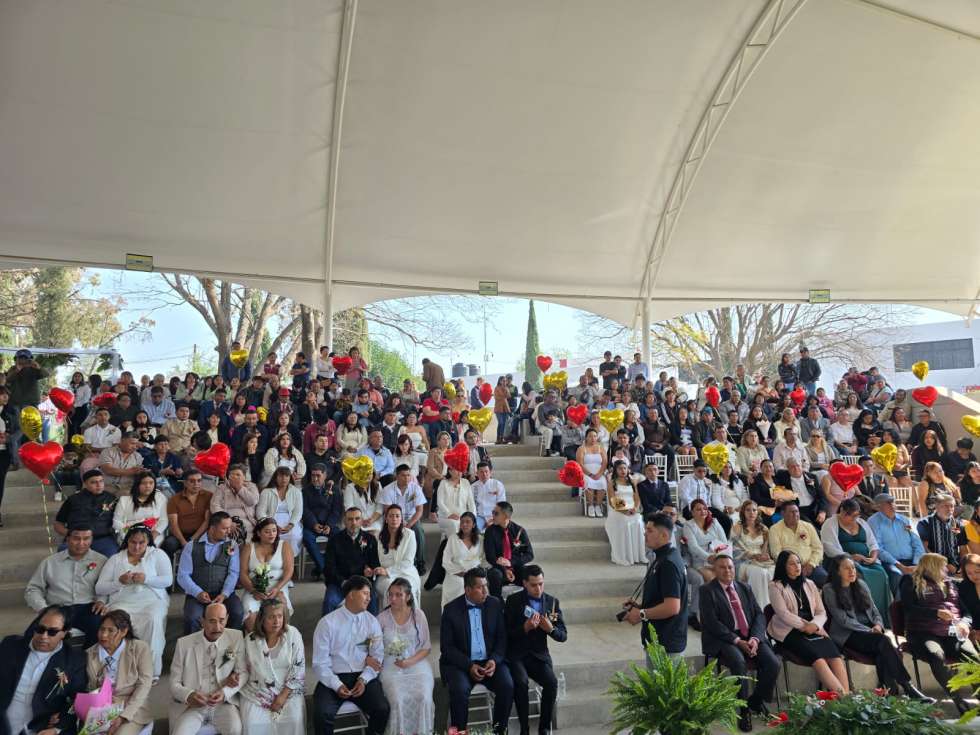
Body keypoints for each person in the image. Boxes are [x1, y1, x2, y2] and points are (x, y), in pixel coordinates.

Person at [822, 555, 930, 701]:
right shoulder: (829, 589)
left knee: (882, 652)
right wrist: (869, 630)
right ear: (837, 571)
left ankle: (888, 693)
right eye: (846, 568)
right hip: (848, 634)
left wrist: (878, 624)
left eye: (853, 567)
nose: (852, 571)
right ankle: (908, 687)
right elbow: (842, 620)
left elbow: (874, 611)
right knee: (883, 642)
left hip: (871, 633)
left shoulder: (861, 584)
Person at [699, 553, 779, 732]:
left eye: (730, 567)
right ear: (714, 570)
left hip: (751, 635)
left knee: (773, 663)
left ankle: (756, 701)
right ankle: (744, 711)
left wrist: (755, 638)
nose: (727, 570)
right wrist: (737, 641)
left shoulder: (745, 587)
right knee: (738, 662)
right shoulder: (707, 590)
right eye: (722, 567)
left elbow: (759, 614)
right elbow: (711, 623)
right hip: (724, 638)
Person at [311, 576, 390, 735]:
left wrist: (364, 679)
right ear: (351, 594)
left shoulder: (371, 622)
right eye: (365, 593)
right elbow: (320, 663)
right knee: (321, 713)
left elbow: (377, 656)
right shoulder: (327, 623)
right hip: (333, 676)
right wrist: (336, 684)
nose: (369, 598)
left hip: (362, 676)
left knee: (382, 709)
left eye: (370, 594)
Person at [900, 553, 978, 714]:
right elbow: (908, 609)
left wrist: (964, 623)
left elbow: (966, 612)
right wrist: (935, 613)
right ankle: (958, 700)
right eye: (943, 567)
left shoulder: (950, 584)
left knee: (973, 657)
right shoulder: (910, 581)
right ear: (932, 567)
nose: (946, 570)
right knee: (936, 655)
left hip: (952, 632)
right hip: (923, 633)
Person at [440, 567, 514, 735]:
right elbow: (447, 648)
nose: (486, 591)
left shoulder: (494, 604)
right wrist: (469, 666)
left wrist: (494, 660)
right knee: (458, 691)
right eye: (480, 587)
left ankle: (499, 731)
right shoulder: (451, 610)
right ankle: (460, 732)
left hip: (489, 661)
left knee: (507, 685)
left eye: (486, 585)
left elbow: (502, 639)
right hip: (462, 663)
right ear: (467, 590)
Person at [95, 524, 172, 677]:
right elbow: (100, 588)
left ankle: (150, 671)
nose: (137, 547)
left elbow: (168, 580)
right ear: (127, 541)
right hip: (122, 602)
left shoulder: (158, 554)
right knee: (116, 623)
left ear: (148, 542)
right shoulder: (116, 559)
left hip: (152, 602)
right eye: (133, 542)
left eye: (141, 543)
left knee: (152, 620)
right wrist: (119, 582)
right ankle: (117, 669)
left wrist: (147, 579)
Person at [768, 550, 849, 693]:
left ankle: (845, 699)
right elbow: (783, 613)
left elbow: (821, 612)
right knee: (818, 659)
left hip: (814, 628)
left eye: (798, 562)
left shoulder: (810, 584)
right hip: (790, 631)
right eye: (791, 564)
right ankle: (844, 699)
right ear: (783, 566)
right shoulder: (775, 586)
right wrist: (804, 626)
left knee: (835, 656)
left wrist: (815, 625)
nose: (797, 566)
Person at [2, 604, 86, 735]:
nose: (44, 636)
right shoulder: (10, 645)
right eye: (40, 629)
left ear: (64, 633)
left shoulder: (73, 660)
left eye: (52, 632)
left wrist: (57, 728)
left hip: (42, 727)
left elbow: (77, 698)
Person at [25, 525, 109, 647]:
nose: (81, 543)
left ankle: (85, 663)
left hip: (89, 608)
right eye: (76, 538)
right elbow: (33, 589)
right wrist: (43, 609)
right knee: (32, 636)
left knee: (102, 631)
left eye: (86, 538)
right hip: (58, 608)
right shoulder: (50, 562)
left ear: (92, 539)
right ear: (67, 538)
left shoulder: (101, 561)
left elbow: (107, 587)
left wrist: (102, 601)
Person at [169, 602, 244, 735]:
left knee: (235, 729)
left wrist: (225, 693)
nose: (217, 627)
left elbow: (243, 672)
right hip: (192, 706)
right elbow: (174, 683)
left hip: (223, 703)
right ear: (201, 621)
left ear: (227, 618)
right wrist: (189, 694)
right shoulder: (184, 644)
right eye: (212, 621)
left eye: (221, 621)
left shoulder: (236, 637)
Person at [235, 598, 306, 735]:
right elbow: (242, 668)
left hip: (288, 691)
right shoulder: (250, 640)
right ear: (262, 619)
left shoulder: (293, 634)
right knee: (253, 723)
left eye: (280, 616)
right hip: (257, 692)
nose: (277, 621)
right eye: (271, 617)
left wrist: (282, 697)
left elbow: (298, 670)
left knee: (293, 719)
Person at [622, 513, 688, 658]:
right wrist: (640, 606)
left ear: (664, 535)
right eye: (646, 529)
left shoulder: (668, 563)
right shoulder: (663, 557)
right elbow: (662, 597)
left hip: (666, 643)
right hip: (660, 640)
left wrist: (641, 614)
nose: (645, 533)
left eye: (650, 530)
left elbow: (672, 607)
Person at [377, 577, 435, 735]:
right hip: (391, 666)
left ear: (408, 596)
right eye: (390, 595)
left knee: (423, 697)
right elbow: (375, 646)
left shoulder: (418, 615)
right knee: (397, 700)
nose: (393, 598)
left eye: (398, 595)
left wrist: (409, 661)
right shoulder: (382, 618)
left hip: (417, 663)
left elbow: (426, 647)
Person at [85, 610, 154, 735]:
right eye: (101, 629)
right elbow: (90, 687)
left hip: (132, 706)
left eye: (110, 631)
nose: (104, 635)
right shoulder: (90, 654)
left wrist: (123, 716)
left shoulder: (139, 648)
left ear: (123, 631)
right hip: (102, 707)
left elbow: (144, 685)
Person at [819, 499, 890, 620]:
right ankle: (864, 615)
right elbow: (830, 549)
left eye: (856, 515)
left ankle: (880, 616)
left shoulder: (862, 523)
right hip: (843, 562)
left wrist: (873, 558)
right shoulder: (830, 523)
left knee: (882, 574)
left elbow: (873, 543)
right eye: (851, 516)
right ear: (842, 511)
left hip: (865, 560)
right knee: (860, 573)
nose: (854, 519)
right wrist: (851, 557)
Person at [177, 511, 245, 633]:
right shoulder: (191, 546)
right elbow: (182, 576)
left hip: (224, 594)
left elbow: (233, 573)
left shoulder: (232, 545)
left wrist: (224, 594)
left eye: (230, 527)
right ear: (212, 528)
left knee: (237, 612)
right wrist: (197, 592)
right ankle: (192, 649)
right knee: (192, 617)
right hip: (197, 595)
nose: (229, 531)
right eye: (225, 528)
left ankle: (231, 648)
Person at [239, 517, 294, 631]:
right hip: (253, 587)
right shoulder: (249, 547)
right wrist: (253, 590)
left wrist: (277, 588)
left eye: (274, 530)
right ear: (259, 533)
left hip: (277, 586)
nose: (272, 534)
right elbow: (243, 573)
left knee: (280, 608)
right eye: (267, 531)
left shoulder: (284, 546)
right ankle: (255, 642)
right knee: (250, 612)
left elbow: (289, 571)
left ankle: (278, 640)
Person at [322, 508, 381, 615]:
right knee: (329, 601)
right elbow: (329, 569)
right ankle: (326, 630)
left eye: (357, 519)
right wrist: (343, 582)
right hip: (340, 583)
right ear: (344, 521)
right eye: (350, 519)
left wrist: (370, 570)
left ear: (362, 520)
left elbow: (375, 564)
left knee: (373, 599)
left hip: (362, 583)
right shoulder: (334, 540)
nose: (353, 523)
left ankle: (374, 630)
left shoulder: (370, 539)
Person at [867, 492, 925, 597]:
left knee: (926, 574)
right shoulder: (873, 522)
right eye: (888, 503)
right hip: (891, 562)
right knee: (897, 575)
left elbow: (916, 541)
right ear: (879, 507)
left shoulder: (904, 520)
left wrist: (916, 563)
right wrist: (900, 565)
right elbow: (878, 548)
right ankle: (898, 608)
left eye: (893, 502)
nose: (892, 505)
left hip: (912, 561)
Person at [53, 469, 119, 558]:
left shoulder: (111, 498)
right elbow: (58, 523)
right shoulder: (73, 500)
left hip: (103, 539)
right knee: (63, 555)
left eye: (101, 481)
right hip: (77, 539)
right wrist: (70, 534)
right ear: (85, 484)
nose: (99, 485)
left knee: (113, 556)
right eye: (93, 482)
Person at [768, 500, 827, 586]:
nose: (795, 514)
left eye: (797, 511)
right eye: (791, 512)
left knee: (826, 580)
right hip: (789, 568)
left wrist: (811, 564)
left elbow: (818, 548)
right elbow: (776, 553)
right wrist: (795, 565)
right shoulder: (775, 529)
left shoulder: (807, 526)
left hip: (811, 566)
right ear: (783, 514)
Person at [484, 501, 534, 597]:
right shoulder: (490, 531)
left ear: (505, 516)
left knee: (529, 573)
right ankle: (497, 604)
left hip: (516, 567)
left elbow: (529, 554)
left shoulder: (519, 531)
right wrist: (504, 570)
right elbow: (490, 557)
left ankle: (525, 602)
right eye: (492, 512)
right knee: (495, 574)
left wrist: (511, 562)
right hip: (498, 568)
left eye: (496, 513)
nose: (492, 515)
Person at [731, 500, 774, 608]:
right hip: (742, 561)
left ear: (758, 513)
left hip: (760, 560)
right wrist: (752, 556)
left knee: (773, 570)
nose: (751, 513)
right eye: (748, 510)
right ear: (743, 512)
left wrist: (764, 556)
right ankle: (759, 607)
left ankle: (773, 606)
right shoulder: (737, 527)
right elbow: (733, 550)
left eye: (754, 510)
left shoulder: (764, 529)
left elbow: (766, 549)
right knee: (760, 573)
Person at [375, 505, 421, 605]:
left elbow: (408, 562)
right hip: (385, 576)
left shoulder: (410, 534)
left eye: (397, 516)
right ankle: (388, 619)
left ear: (401, 519)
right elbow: (379, 560)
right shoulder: (380, 536)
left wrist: (388, 571)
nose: (394, 519)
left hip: (406, 572)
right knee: (390, 588)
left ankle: (411, 619)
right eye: (391, 516)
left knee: (405, 590)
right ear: (386, 519)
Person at [163, 469, 213, 560]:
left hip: (201, 534)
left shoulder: (208, 496)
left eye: (199, 480)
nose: (196, 484)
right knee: (169, 544)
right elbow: (173, 525)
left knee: (207, 545)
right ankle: (169, 572)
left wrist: (191, 540)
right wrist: (183, 542)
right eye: (192, 481)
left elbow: (207, 521)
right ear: (185, 483)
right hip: (179, 535)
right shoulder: (174, 499)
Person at [112, 470, 168, 547]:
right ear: (137, 484)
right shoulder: (124, 500)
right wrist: (130, 537)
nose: (148, 486)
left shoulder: (160, 497)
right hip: (129, 534)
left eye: (151, 483)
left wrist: (154, 535)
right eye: (144, 483)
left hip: (153, 533)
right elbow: (116, 522)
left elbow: (164, 520)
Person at [677, 459, 733, 537]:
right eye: (699, 471)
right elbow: (683, 495)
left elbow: (708, 497)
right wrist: (697, 506)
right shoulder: (687, 479)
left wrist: (708, 508)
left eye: (704, 471)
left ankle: (723, 542)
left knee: (726, 520)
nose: (702, 474)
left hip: (706, 507)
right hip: (690, 508)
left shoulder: (707, 481)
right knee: (704, 520)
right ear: (694, 469)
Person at [257, 467, 303, 555]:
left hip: (290, 520)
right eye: (281, 476)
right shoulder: (266, 492)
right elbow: (260, 512)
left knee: (294, 535)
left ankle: (290, 560)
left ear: (290, 478)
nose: (284, 479)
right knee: (270, 535)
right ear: (276, 477)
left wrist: (291, 525)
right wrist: (271, 525)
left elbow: (298, 511)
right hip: (270, 520)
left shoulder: (297, 492)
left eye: (287, 476)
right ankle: (273, 561)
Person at [916, 493, 962, 573]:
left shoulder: (957, 524)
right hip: (934, 563)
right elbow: (925, 548)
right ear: (937, 507)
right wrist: (942, 564)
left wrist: (962, 566)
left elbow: (963, 548)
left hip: (954, 564)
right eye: (945, 506)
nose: (950, 509)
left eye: (952, 506)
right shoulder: (925, 523)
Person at [577, 428, 608, 517]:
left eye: (595, 436)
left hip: (599, 472)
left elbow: (604, 462)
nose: (593, 438)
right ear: (586, 437)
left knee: (602, 483)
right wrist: (590, 474)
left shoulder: (601, 448)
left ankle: (598, 505)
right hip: (586, 472)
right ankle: (590, 505)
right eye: (590, 436)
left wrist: (599, 473)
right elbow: (580, 463)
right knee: (589, 482)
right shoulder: (582, 449)